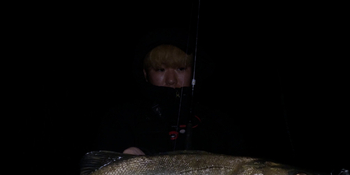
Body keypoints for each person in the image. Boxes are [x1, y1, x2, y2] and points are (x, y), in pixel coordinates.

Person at [96, 28, 248, 156]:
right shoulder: (121, 118)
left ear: (194, 71)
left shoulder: (218, 122)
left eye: (180, 69)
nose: (170, 80)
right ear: (145, 73)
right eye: (160, 70)